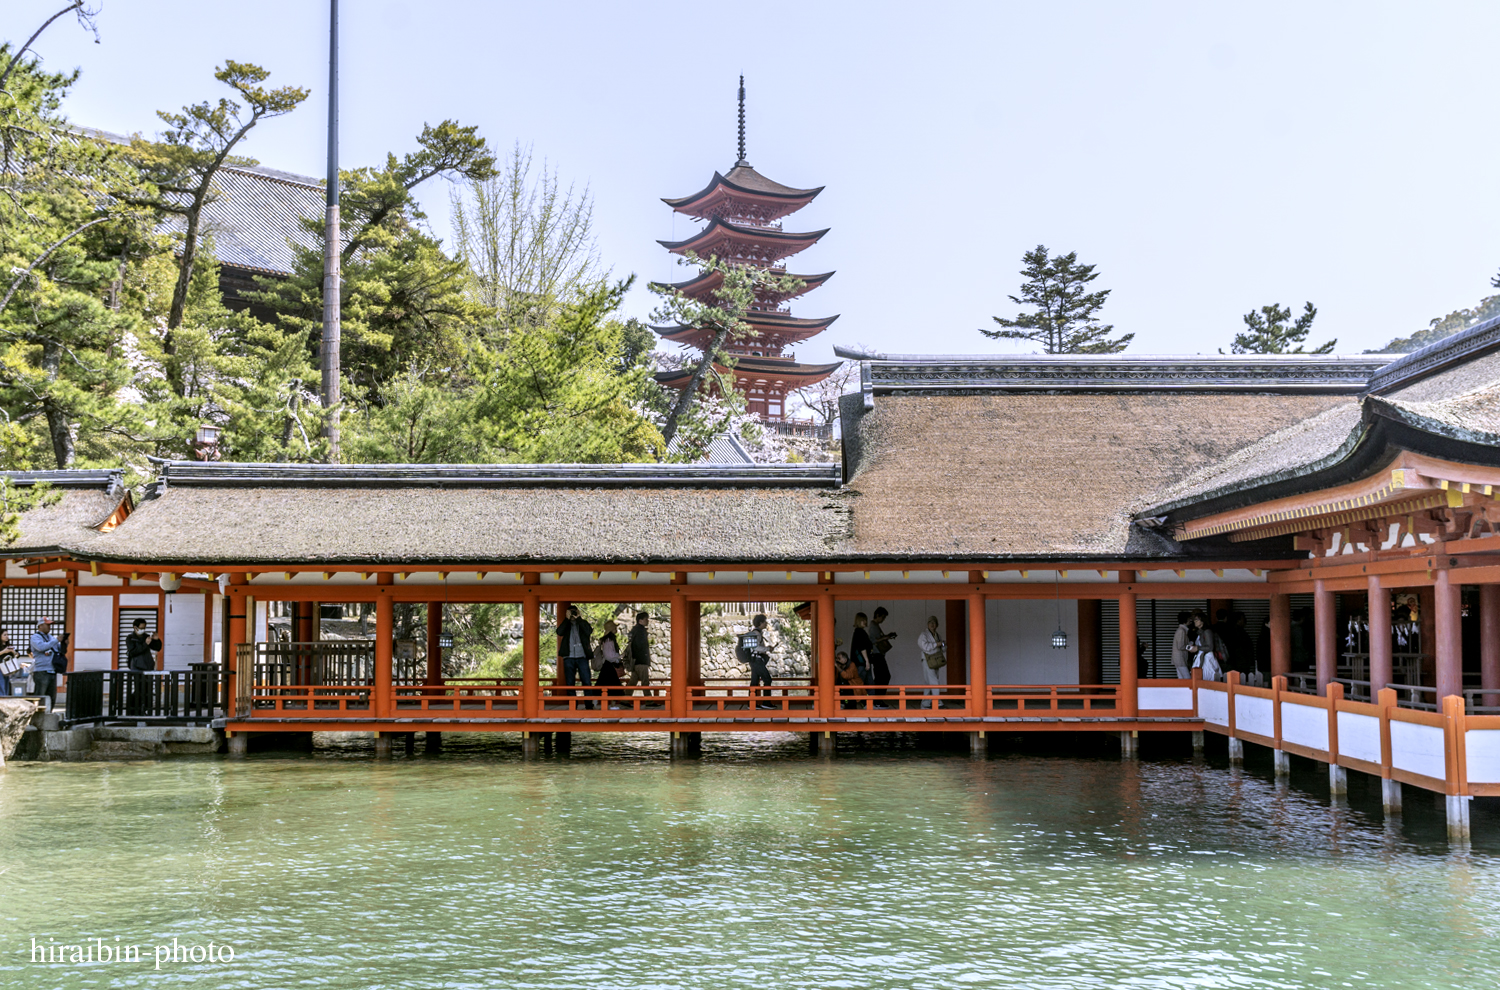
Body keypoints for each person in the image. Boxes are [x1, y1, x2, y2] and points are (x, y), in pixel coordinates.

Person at [555, 606, 594, 705]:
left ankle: (589, 704)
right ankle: (573, 705)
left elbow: (589, 631)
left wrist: (579, 618)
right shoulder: (566, 624)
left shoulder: (582, 623)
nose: (572, 614)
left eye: (574, 612)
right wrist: (567, 619)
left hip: (582, 656)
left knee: (586, 681)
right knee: (570, 682)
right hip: (569, 657)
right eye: (571, 612)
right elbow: (559, 632)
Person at [738, 614, 776, 707]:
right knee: (767, 679)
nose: (766, 623)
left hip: (754, 660)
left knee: (754, 682)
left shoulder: (755, 633)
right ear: (760, 623)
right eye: (764, 622)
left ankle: (751, 703)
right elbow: (756, 648)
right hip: (757, 660)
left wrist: (766, 648)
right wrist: (767, 649)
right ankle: (766, 702)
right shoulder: (756, 634)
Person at [30, 617, 63, 710]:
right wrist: (56, 640)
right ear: (40, 626)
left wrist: (64, 643)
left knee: (51, 696)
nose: (49, 627)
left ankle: (49, 714)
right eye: (47, 625)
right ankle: (36, 717)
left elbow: (58, 649)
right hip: (41, 671)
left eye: (50, 625)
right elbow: (41, 647)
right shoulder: (35, 637)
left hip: (52, 670)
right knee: (40, 696)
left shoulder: (50, 637)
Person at [868, 607, 896, 705]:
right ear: (878, 615)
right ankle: (877, 699)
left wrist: (887, 636)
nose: (883, 619)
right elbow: (872, 640)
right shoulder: (872, 625)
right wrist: (885, 637)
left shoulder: (875, 625)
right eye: (883, 617)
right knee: (883, 677)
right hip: (877, 655)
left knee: (881, 677)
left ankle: (877, 699)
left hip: (879, 654)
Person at [917, 616, 946, 709]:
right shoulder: (924, 635)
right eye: (930, 623)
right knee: (934, 681)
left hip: (936, 659)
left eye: (934, 623)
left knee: (929, 682)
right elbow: (924, 647)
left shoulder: (937, 635)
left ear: (937, 625)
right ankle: (937, 702)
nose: (932, 625)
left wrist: (943, 644)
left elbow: (943, 648)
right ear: (928, 624)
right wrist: (937, 644)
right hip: (928, 660)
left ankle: (925, 703)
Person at [627, 611, 651, 687]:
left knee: (633, 682)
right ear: (640, 620)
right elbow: (640, 646)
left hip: (635, 660)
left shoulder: (634, 631)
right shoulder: (640, 632)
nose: (648, 621)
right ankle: (648, 699)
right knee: (645, 682)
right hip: (641, 660)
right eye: (646, 619)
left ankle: (626, 697)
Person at [1170, 610, 1193, 679]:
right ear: (1185, 619)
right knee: (1187, 679)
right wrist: (1191, 646)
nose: (1190, 620)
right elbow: (1180, 646)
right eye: (1189, 618)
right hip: (1180, 659)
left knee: (1181, 679)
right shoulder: (1181, 631)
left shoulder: (1182, 630)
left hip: (1179, 659)